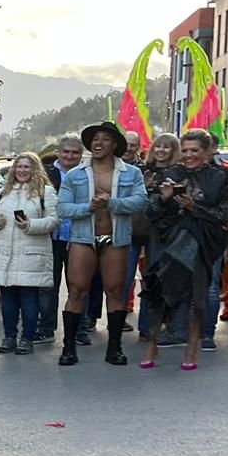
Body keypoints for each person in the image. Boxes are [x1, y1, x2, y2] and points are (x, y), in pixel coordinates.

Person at [138, 129, 228, 371]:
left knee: (198, 295)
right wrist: (164, 198)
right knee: (158, 289)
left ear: (207, 151)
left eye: (195, 151)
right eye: (186, 151)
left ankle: (192, 348)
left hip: (204, 240)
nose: (189, 156)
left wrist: (194, 207)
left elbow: (223, 215)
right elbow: (151, 212)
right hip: (169, 239)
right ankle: (152, 344)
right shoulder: (171, 173)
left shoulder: (222, 176)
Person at [56, 121, 148, 367]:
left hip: (116, 238)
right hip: (83, 238)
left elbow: (141, 202)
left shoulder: (131, 173)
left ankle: (114, 348)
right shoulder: (76, 174)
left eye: (105, 138)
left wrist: (113, 203)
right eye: (95, 138)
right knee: (76, 291)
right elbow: (62, 208)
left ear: (114, 144)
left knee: (116, 292)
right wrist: (89, 207)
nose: (98, 143)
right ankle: (68, 347)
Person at [0, 153, 60, 354]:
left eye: (27, 167)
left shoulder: (46, 192)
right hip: (4, 255)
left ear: (35, 169)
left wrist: (30, 225)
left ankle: (27, 339)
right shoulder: (2, 193)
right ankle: (9, 338)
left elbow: (54, 220)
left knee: (29, 299)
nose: (22, 170)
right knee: (8, 299)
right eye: (19, 167)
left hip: (31, 255)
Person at [132, 132, 180, 341]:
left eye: (166, 147)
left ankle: (160, 326)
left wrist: (164, 199)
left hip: (167, 232)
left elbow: (177, 205)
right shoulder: (142, 170)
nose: (161, 151)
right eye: (158, 146)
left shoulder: (178, 173)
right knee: (144, 280)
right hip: (140, 230)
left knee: (163, 280)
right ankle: (146, 327)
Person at [39, 135, 85, 341]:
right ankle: (47, 328)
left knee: (79, 286)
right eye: (66, 152)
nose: (70, 156)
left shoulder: (87, 173)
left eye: (75, 152)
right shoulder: (45, 174)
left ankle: (79, 330)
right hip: (51, 237)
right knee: (49, 286)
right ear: (59, 153)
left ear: (81, 155)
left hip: (78, 236)